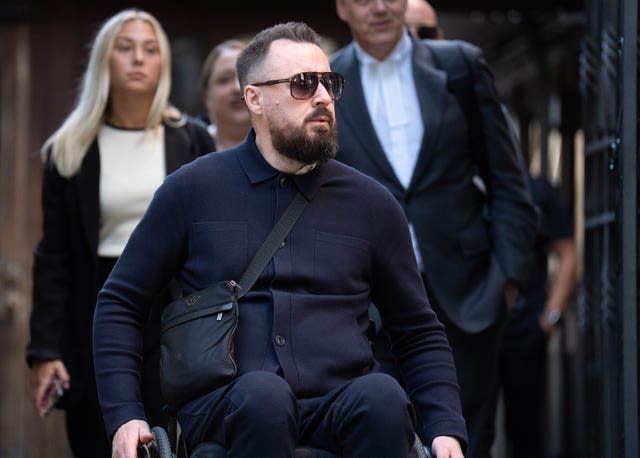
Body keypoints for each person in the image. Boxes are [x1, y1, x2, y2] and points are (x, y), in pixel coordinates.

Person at [93, 21, 467, 458]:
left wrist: (445, 428)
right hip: (230, 408)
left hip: (342, 403)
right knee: (263, 398)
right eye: (303, 85)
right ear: (254, 98)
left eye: (329, 83)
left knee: (382, 398)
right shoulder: (191, 191)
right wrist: (125, 414)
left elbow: (418, 330)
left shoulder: (372, 204)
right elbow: (120, 302)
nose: (324, 97)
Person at [331, 1, 538, 457]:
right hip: (367, 310)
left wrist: (505, 280)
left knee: (466, 443)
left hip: (467, 302)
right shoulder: (326, 81)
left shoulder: (460, 65)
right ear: (342, 7)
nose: (381, 6)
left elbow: (508, 181)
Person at [25, 9, 214, 457]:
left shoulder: (191, 140)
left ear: (163, 64)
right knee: (102, 438)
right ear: (103, 61)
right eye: (125, 48)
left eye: (151, 50)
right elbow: (54, 256)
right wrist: (44, 350)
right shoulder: (69, 149)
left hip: (173, 309)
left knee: (176, 438)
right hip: (96, 307)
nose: (138, 60)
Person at [499, 173, 577, 458]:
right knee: (470, 426)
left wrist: (550, 317)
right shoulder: (466, 185)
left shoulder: (538, 190)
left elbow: (567, 254)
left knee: (526, 430)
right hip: (476, 328)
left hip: (526, 327)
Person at [200, 39, 251, 149]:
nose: (237, 88)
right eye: (225, 80)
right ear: (206, 95)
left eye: (245, 78)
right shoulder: (188, 149)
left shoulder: (284, 148)